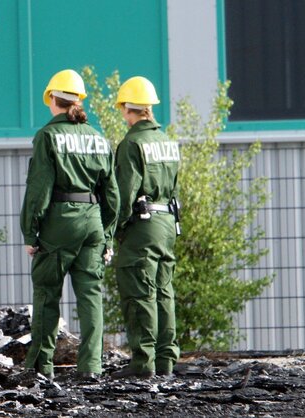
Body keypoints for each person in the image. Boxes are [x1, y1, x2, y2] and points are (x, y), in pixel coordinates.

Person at [20, 69, 119, 380]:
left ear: (52, 99)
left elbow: (39, 190)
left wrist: (30, 232)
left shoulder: (48, 137)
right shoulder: (98, 139)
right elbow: (113, 195)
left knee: (47, 293)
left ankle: (41, 365)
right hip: (92, 222)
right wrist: (107, 235)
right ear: (78, 101)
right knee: (91, 295)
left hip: (60, 222)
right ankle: (91, 367)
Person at [111, 76, 181, 379]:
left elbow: (124, 195)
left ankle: (143, 363)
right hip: (167, 224)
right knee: (164, 292)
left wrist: (114, 230)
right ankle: (166, 361)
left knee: (140, 293)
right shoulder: (167, 142)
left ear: (128, 108)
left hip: (143, 225)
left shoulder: (132, 144)